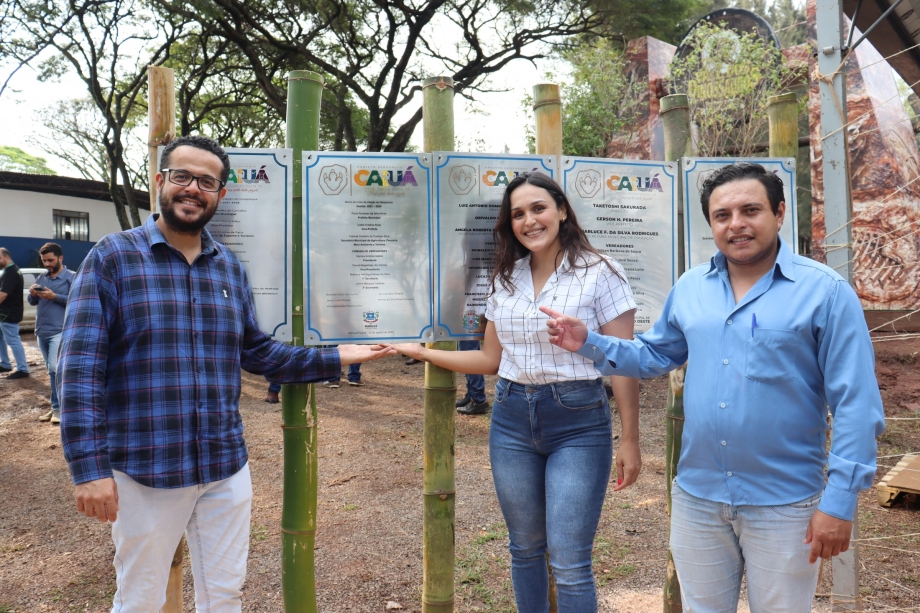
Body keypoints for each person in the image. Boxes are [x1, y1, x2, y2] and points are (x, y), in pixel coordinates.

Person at [57, 135, 393, 613]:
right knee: (139, 598)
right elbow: (79, 369)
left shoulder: (229, 269)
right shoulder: (113, 258)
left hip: (223, 464)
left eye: (207, 181)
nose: (193, 188)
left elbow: (258, 352)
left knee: (225, 595)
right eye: (182, 176)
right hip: (146, 467)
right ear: (159, 182)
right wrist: (88, 469)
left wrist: (338, 356)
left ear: (221, 194)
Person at [541, 162, 885, 613]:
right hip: (698, 498)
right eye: (722, 215)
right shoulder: (690, 288)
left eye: (750, 210)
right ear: (711, 224)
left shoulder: (826, 293)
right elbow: (655, 355)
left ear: (779, 213)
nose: (736, 224)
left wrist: (840, 502)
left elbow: (856, 405)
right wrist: (589, 343)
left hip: (785, 503)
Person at [390, 173, 640, 612]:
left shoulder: (602, 271)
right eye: (518, 213)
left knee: (569, 559)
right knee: (524, 548)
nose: (529, 220)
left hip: (578, 421)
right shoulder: (505, 278)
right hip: (510, 420)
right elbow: (489, 361)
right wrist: (421, 351)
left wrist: (632, 440)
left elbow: (623, 361)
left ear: (562, 210)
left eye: (538, 208)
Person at [27, 243, 74, 423]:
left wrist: (55, 297)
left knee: (56, 369)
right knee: (50, 371)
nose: (47, 264)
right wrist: (32, 293)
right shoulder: (42, 277)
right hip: (42, 330)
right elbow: (33, 302)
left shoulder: (71, 278)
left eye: (50, 260)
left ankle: (61, 409)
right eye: (44, 260)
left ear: (60, 258)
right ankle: (55, 406)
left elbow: (76, 301)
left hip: (59, 330)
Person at [0, 247, 29, 379]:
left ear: (7, 257)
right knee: (1, 339)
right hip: (4, 313)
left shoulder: (11, 272)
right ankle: (5, 363)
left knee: (13, 341)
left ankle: (22, 369)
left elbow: (3, 294)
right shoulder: (9, 270)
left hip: (9, 313)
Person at [455, 339, 489, 414]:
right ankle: (472, 396)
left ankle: (478, 400)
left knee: (469, 356)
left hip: (468, 329)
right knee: (467, 355)